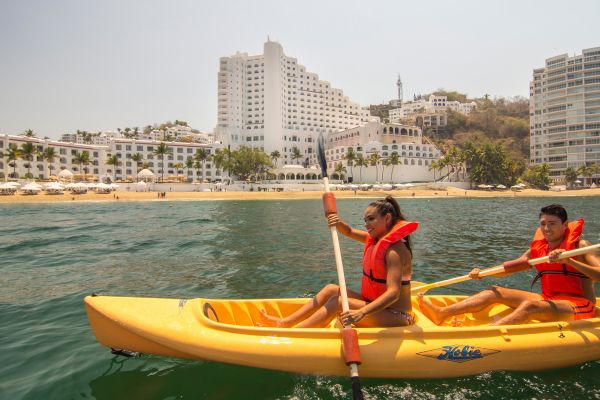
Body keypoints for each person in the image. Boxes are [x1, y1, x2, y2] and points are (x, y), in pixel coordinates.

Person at [418, 204, 600, 326]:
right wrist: (482, 273)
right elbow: (509, 269)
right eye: (543, 224)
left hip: (579, 304)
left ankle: (486, 333)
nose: (546, 229)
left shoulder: (580, 247)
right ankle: (442, 312)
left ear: (565, 225)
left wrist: (569, 261)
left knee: (530, 306)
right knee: (493, 290)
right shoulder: (539, 249)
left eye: (552, 224)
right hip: (549, 298)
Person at [260, 196, 418, 328]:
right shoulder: (375, 241)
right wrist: (336, 222)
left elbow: (393, 293)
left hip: (397, 315)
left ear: (387, 218)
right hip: (375, 305)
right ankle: (285, 322)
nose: (366, 224)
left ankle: (296, 333)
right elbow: (348, 231)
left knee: (338, 302)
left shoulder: (394, 251)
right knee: (330, 289)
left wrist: (362, 312)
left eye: (371, 219)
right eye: (365, 220)